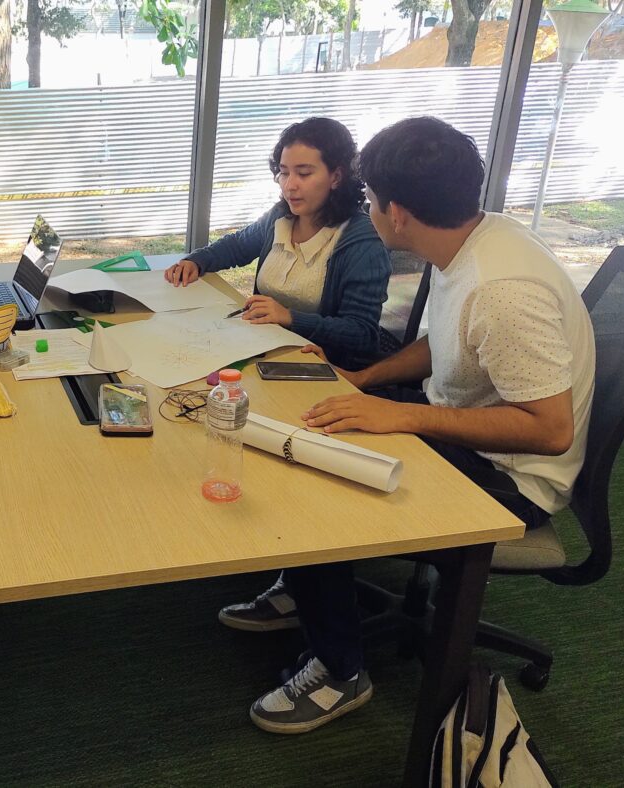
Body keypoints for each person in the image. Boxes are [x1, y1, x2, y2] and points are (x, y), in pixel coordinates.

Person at [227, 116, 596, 735]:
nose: (365, 210)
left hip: (511, 478)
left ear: (395, 212)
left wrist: (399, 415)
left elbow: (550, 429)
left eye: (369, 200)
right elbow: (442, 344)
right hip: (461, 424)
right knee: (308, 409)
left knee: (318, 480)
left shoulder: (502, 289)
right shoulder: (475, 237)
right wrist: (365, 381)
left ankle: (342, 670)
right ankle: (303, 588)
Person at [164, 117, 391, 370]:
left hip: (319, 367)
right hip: (263, 352)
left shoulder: (361, 241)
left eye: (303, 173)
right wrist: (197, 260)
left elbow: (362, 333)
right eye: (283, 172)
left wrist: (290, 317)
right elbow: (237, 245)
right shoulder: (281, 217)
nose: (289, 185)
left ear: (336, 177)